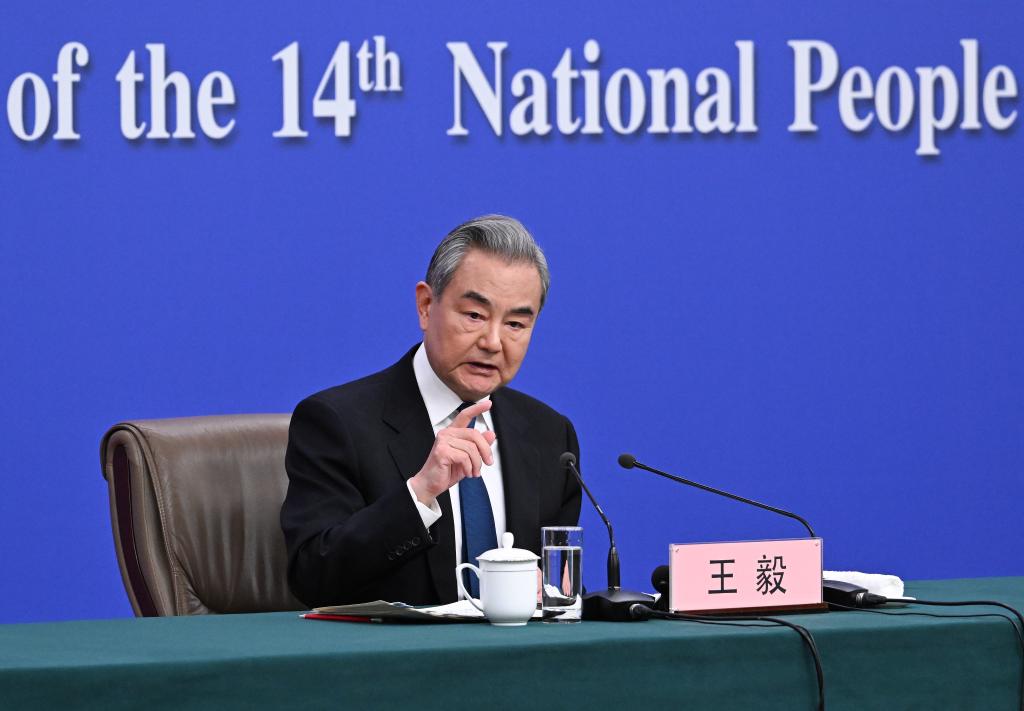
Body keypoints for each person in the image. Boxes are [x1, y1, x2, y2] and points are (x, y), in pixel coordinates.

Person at [281, 215, 582, 608]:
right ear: (426, 306)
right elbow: (312, 576)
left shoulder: (550, 436)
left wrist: (550, 593)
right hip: (396, 648)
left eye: (515, 324)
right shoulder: (337, 422)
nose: (493, 342)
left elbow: (558, 589)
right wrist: (419, 494)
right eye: (474, 315)